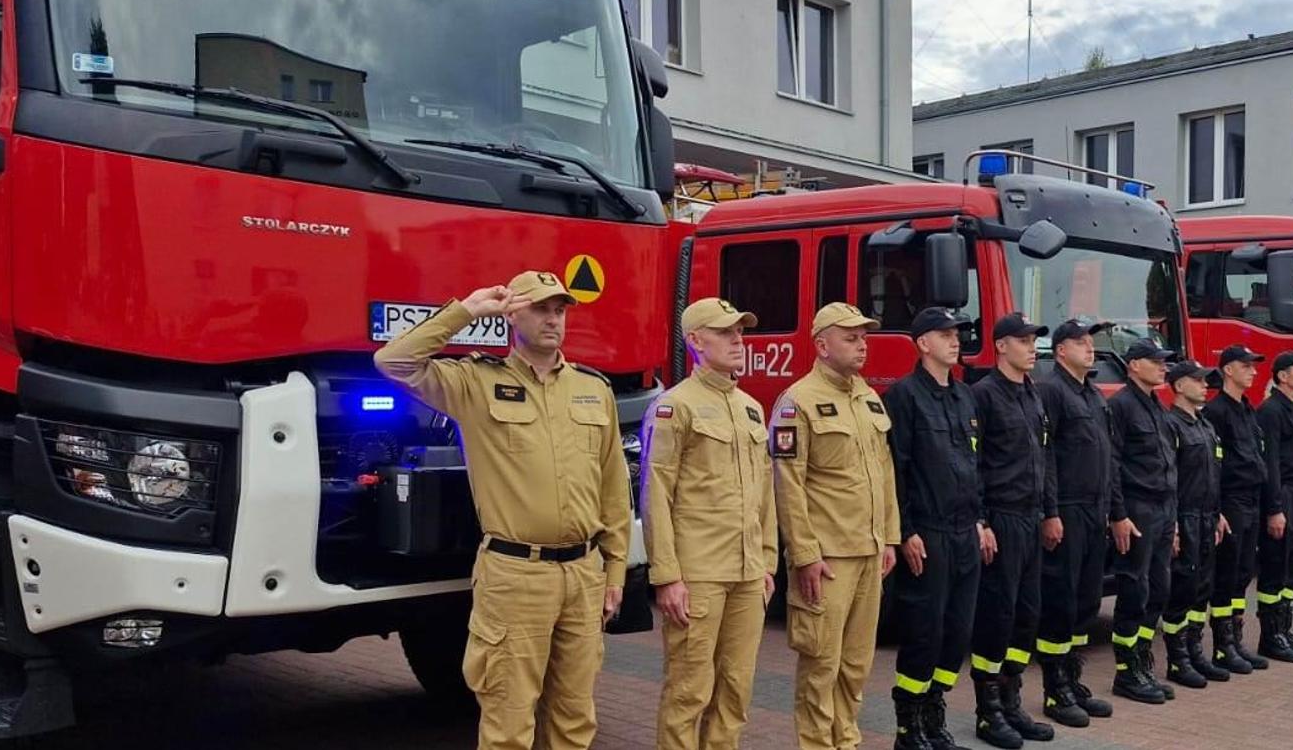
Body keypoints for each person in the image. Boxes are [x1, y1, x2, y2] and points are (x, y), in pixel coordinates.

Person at [372, 271, 630, 750]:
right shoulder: (475, 382)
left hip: (584, 574)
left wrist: (614, 571)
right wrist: (466, 311)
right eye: (540, 308)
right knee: (508, 721)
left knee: (575, 721)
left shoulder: (593, 389)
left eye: (560, 310)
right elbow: (394, 361)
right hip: (516, 575)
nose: (553, 319)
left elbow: (614, 488)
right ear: (513, 314)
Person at [642, 298, 777, 750]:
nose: (738, 339)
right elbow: (655, 494)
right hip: (697, 575)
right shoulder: (674, 406)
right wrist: (667, 576)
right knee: (689, 692)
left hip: (746, 574)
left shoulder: (751, 408)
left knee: (735, 692)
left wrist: (768, 563)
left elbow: (765, 494)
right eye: (724, 332)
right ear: (696, 341)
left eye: (740, 331)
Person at [772, 302, 902, 750]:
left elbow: (884, 474)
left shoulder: (867, 397)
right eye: (851, 337)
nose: (862, 344)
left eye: (864, 336)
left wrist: (889, 538)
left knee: (856, 665)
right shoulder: (797, 402)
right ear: (822, 344)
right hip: (827, 560)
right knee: (820, 663)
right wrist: (805, 555)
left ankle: (846, 740)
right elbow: (788, 485)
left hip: (869, 554)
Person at [884, 307, 986, 750]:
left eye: (957, 334)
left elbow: (974, 466)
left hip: (966, 532)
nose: (955, 341)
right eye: (945, 334)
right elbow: (897, 469)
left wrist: (981, 521)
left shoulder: (966, 397)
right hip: (929, 531)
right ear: (923, 343)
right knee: (924, 629)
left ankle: (935, 708)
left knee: (957, 630)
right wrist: (905, 530)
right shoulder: (904, 396)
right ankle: (909, 725)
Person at [968, 313, 1058, 748]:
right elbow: (975, 465)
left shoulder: (1032, 395)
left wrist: (1050, 511)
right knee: (997, 616)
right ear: (1001, 346)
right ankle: (988, 712)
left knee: (1027, 615)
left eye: (1033, 340)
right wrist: (981, 520)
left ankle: (1011, 697)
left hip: (1031, 517)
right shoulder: (983, 396)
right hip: (1002, 518)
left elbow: (1045, 459)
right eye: (1023, 341)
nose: (1030, 347)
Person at [1033, 318, 1117, 728]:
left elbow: (1107, 457)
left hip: (1094, 509)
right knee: (1061, 602)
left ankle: (1073, 678)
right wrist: (1050, 512)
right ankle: (1055, 688)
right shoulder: (1051, 391)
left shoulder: (1093, 394)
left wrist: (1114, 511)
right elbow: (1045, 456)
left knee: (1086, 603)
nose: (1090, 348)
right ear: (1060, 350)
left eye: (1091, 342)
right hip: (1066, 509)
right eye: (1081, 342)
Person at [1105, 339, 1179, 705]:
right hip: (1138, 508)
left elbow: (1169, 463)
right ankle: (1126, 671)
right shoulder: (1120, 406)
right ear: (1134, 365)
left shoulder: (1156, 405)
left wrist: (1175, 517)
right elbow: (1112, 465)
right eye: (1155, 361)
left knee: (1159, 588)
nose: (1163, 367)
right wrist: (1118, 514)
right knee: (1134, 589)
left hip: (1163, 509)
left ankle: (1142, 660)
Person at [1160, 360, 1231, 690]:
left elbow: (1213, 476)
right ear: (1177, 386)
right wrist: (1173, 524)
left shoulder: (1204, 424)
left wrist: (1217, 513)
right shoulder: (1170, 425)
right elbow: (1169, 479)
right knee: (1182, 589)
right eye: (1197, 380)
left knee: (1201, 589)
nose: (1205, 386)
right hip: (1185, 517)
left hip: (1206, 516)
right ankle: (1178, 660)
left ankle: (1195, 651)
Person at [1200, 345, 1270, 675]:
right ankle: (1222, 647)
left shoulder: (1246, 409)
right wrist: (1218, 509)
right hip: (1232, 500)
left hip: (1252, 500)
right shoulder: (1217, 412)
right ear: (1228, 370)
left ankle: (1235, 641)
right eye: (1246, 366)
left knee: (1243, 574)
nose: (1253, 371)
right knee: (1226, 575)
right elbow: (1215, 467)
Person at [1252, 351, 1293, 664]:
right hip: (1285, 495)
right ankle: (1270, 635)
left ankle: (1284, 629)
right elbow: (1272, 465)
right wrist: (1275, 508)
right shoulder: (1271, 411)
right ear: (1282, 375)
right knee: (1276, 568)